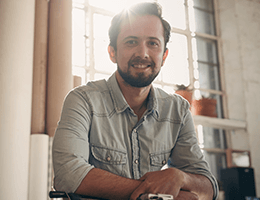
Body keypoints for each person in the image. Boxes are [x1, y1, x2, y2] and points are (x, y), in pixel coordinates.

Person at [52, 2, 219, 200]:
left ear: (164, 56)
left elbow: (208, 188)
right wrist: (155, 194)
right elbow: (68, 174)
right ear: (112, 52)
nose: (143, 53)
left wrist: (179, 177)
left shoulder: (178, 110)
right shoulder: (82, 100)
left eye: (153, 43)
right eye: (131, 42)